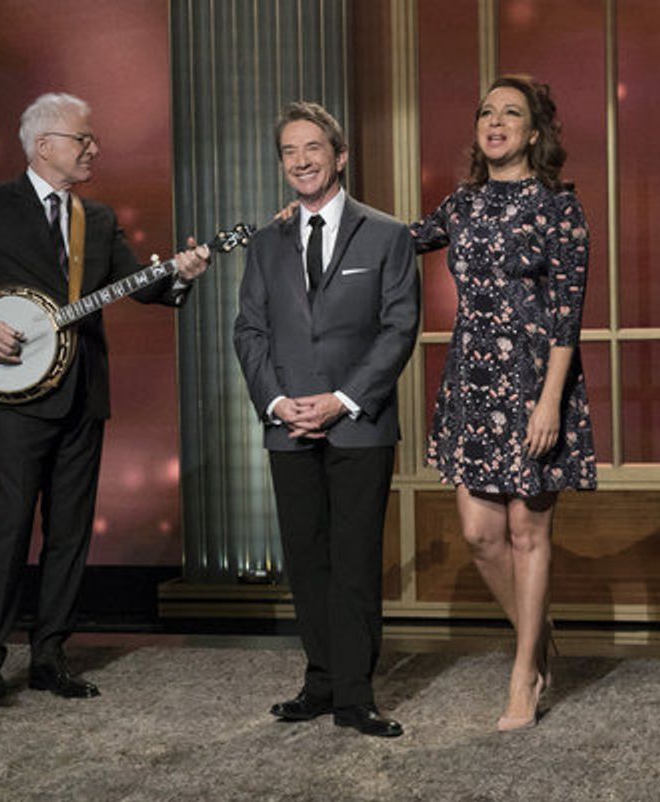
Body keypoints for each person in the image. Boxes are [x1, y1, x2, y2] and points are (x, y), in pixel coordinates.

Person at [0, 92, 210, 709]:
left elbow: (143, 287)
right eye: (84, 140)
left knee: (71, 533)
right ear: (45, 145)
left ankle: (50, 656)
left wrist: (179, 272)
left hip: (83, 394)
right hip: (14, 394)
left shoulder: (97, 220)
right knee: (12, 522)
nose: (94, 148)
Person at [410, 75, 596, 730]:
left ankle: (524, 675)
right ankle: (537, 637)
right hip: (472, 383)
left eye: (510, 113)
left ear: (534, 132)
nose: (494, 121)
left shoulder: (558, 208)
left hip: (534, 385)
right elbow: (396, 240)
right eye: (486, 110)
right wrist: (325, 209)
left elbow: (567, 320)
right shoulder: (461, 206)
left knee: (527, 531)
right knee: (480, 534)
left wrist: (551, 403)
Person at [234, 101, 420, 738]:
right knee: (305, 560)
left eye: (313, 148)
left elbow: (399, 330)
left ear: (340, 157)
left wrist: (342, 400)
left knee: (354, 560)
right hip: (286, 424)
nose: (301, 160)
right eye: (289, 151)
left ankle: (354, 693)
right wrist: (278, 403)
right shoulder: (266, 242)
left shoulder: (388, 234)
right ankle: (319, 682)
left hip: (359, 424)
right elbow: (249, 330)